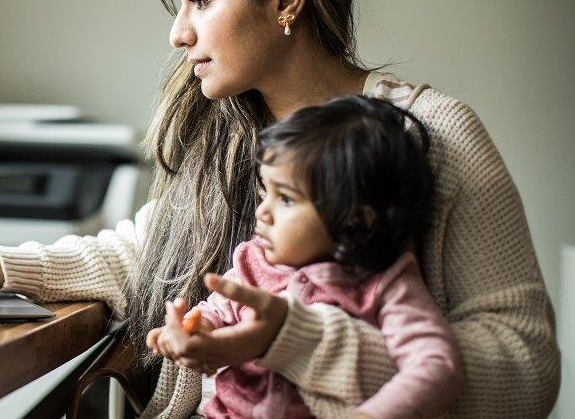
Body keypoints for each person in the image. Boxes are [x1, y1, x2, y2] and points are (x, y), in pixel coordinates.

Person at [0, 0, 559, 417]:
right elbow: (146, 255)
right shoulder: (224, 135)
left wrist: (296, 343)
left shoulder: (434, 134)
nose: (178, 33)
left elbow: (527, 365)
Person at [147, 94, 464, 418]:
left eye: (285, 199)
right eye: (263, 194)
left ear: (357, 221)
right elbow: (213, 311)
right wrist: (192, 331)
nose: (262, 212)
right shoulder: (254, 263)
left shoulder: (386, 284)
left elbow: (436, 365)